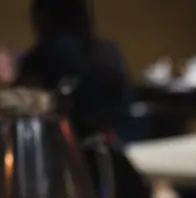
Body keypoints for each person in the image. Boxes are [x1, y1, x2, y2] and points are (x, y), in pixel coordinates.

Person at [17, 0, 132, 139]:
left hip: (68, 143)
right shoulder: (108, 51)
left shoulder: (45, 54)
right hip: (122, 140)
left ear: (44, 16)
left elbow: (24, 103)